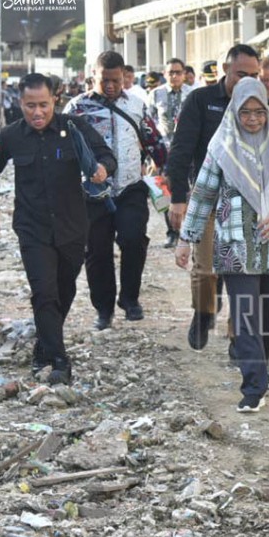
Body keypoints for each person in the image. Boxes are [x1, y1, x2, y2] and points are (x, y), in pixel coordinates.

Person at [176, 78, 269, 412]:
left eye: (259, 112)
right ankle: (253, 386)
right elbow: (204, 194)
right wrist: (186, 239)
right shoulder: (221, 144)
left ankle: (260, 370)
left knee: (268, 315)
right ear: (234, 110)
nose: (252, 119)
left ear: (267, 110)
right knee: (246, 314)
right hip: (235, 244)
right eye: (245, 112)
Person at [0, 72, 117, 384]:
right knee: (43, 292)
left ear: (54, 99)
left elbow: (106, 154)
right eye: (30, 106)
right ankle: (59, 361)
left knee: (63, 291)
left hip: (72, 226)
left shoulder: (74, 128)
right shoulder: (10, 136)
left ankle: (44, 344)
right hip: (32, 228)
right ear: (21, 103)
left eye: (43, 104)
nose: (37, 112)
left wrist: (103, 168)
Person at [165, 44, 266, 350]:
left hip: (248, 200)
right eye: (241, 74)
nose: (247, 80)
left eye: (253, 75)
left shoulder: (261, 103)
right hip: (207, 197)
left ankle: (239, 337)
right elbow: (181, 149)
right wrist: (179, 198)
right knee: (206, 267)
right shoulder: (201, 100)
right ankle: (203, 311)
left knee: (243, 270)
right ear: (225, 70)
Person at [65, 51, 168, 330]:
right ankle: (104, 309)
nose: (110, 86)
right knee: (97, 253)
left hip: (130, 187)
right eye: (104, 80)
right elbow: (61, 149)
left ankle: (130, 299)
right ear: (93, 76)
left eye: (116, 80)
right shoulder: (76, 108)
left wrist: (167, 169)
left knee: (134, 240)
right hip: (93, 193)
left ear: (123, 76)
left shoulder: (136, 104)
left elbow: (153, 140)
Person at [148, 58, 193, 248]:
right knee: (165, 192)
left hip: (188, 150)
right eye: (171, 72)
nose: (174, 76)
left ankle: (188, 231)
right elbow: (148, 124)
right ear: (165, 75)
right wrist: (150, 156)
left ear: (184, 74)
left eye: (178, 72)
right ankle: (171, 232)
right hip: (163, 151)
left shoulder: (193, 94)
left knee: (189, 191)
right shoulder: (156, 94)